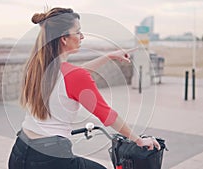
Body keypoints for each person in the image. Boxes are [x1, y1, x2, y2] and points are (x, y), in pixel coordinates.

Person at [8, 7, 161, 169]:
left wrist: (108, 56)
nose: (82, 36)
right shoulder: (72, 75)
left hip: (19, 152)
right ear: (64, 39)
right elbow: (108, 116)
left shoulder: (36, 67)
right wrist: (138, 140)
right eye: (78, 32)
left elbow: (73, 75)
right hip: (50, 159)